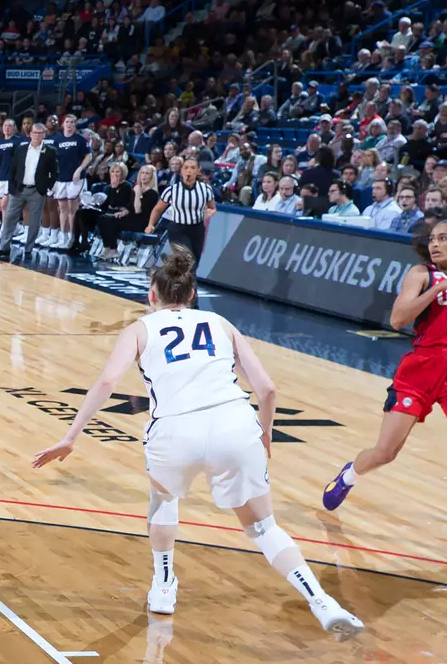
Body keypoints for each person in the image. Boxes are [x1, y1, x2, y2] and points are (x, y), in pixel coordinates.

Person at [33, 247, 363, 635]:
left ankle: (164, 585)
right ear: (192, 295)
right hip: (235, 426)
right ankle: (320, 601)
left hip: (175, 431)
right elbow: (268, 390)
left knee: (163, 499)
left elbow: (106, 383)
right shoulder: (221, 323)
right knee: (262, 527)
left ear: (151, 295)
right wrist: (265, 434)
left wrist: (71, 437)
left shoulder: (140, 328)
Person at [322, 219, 447, 567]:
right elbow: (398, 318)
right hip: (422, 369)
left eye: (444, 238)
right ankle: (349, 474)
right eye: (432, 239)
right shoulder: (421, 274)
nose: (435, 244)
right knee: (385, 452)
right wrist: (444, 287)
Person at [0, 120, 56, 255]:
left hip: (37, 191)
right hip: (18, 189)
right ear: (30, 134)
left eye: (40, 133)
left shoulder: (50, 151)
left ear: (44, 135)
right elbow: (13, 169)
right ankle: (4, 247)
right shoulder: (21, 148)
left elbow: (54, 172)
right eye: (35, 133)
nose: (37, 135)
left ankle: (28, 250)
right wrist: (11, 187)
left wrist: (46, 187)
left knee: (34, 222)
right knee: (10, 218)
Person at [146, 157, 217, 258]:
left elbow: (212, 207)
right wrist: (151, 224)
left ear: (198, 171)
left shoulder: (206, 189)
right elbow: (158, 209)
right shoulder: (172, 190)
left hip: (197, 229)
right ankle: (171, 264)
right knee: (186, 257)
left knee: (194, 262)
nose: (189, 170)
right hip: (177, 229)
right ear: (182, 170)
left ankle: (171, 266)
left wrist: (210, 212)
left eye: (193, 168)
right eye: (186, 167)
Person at [47, 115, 89, 248]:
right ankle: (63, 236)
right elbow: (53, 159)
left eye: (72, 122)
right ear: (63, 124)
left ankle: (73, 237)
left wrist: (80, 169)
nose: (69, 124)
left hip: (76, 178)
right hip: (61, 178)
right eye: (67, 122)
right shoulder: (57, 140)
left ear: (75, 125)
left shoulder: (80, 140)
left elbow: (89, 155)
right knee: (62, 208)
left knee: (73, 208)